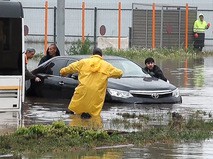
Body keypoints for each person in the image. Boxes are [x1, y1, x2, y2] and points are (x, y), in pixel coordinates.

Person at [60, 48, 123, 119]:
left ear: (92, 54)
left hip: (82, 91)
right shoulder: (106, 66)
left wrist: (63, 71)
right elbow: (119, 73)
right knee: (93, 117)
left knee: (74, 112)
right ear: (101, 55)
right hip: (96, 94)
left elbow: (71, 67)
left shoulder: (83, 62)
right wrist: (118, 75)